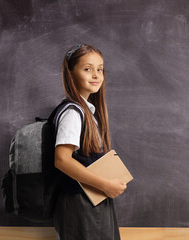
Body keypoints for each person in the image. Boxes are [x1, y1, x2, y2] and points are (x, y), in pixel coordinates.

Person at [53, 43, 127, 239]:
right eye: (87, 69)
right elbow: (62, 160)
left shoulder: (87, 111)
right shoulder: (72, 112)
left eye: (100, 69)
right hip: (82, 202)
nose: (96, 75)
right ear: (71, 73)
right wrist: (104, 184)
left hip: (93, 200)